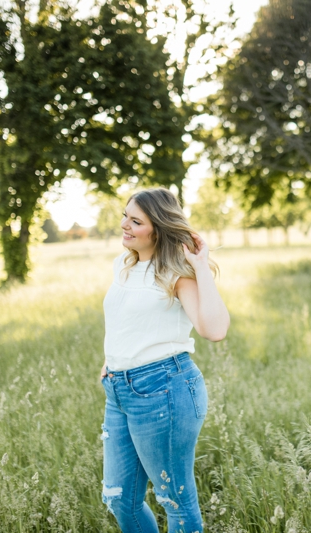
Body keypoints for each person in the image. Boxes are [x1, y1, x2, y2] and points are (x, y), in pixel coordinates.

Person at [99, 188, 230, 533]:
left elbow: (213, 329)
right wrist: (112, 360)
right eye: (125, 215)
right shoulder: (123, 266)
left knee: (175, 500)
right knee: (118, 498)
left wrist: (200, 266)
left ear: (157, 228)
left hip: (164, 391)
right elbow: (123, 319)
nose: (124, 225)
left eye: (136, 221)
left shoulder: (175, 273)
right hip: (119, 390)